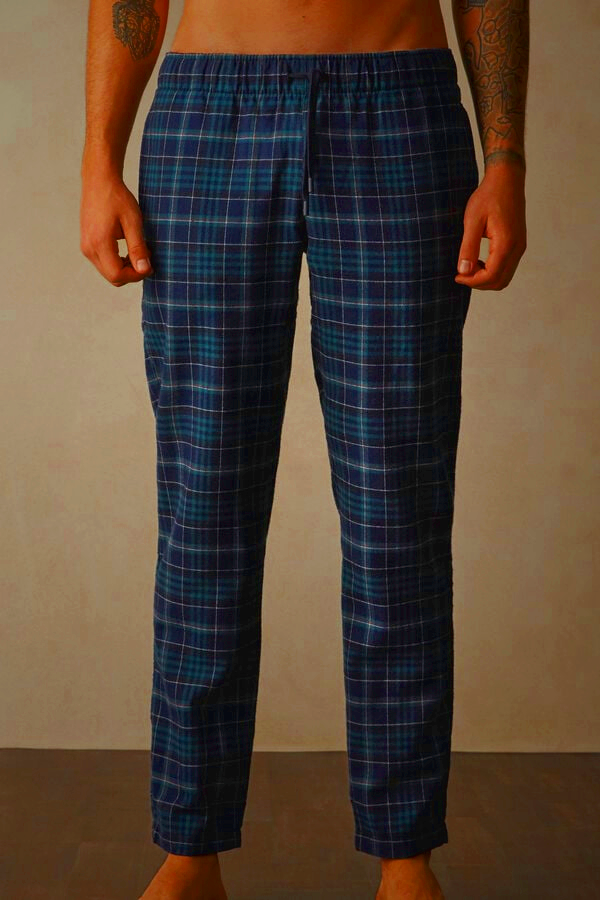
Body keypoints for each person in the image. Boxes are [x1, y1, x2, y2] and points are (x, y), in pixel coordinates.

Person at [80, 1, 528, 898]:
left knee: (397, 508)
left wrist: (506, 159)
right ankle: (189, 850)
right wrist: (99, 158)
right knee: (204, 507)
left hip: (400, 106)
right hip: (209, 111)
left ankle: (406, 857)